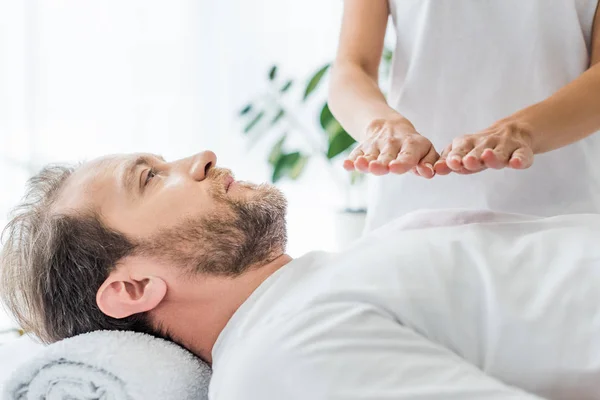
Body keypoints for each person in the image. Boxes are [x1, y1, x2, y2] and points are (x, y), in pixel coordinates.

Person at [1, 151, 599, 399]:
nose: (201, 157)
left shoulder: (312, 294)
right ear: (132, 288)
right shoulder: (284, 356)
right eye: (151, 178)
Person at [329, 0, 600, 231]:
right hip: (409, 216)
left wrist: (522, 130)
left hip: (563, 218)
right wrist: (381, 126)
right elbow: (353, 66)